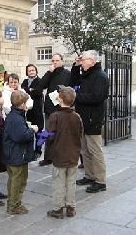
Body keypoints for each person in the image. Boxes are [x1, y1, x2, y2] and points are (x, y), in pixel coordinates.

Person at [72, 50, 109, 193]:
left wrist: (76, 96)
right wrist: (75, 66)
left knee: (95, 151)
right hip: (83, 118)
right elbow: (73, 82)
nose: (82, 62)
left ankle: (100, 181)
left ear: (92, 61)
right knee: (85, 150)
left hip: (93, 119)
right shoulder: (87, 74)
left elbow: (97, 97)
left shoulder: (100, 76)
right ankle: (89, 175)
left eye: (83, 60)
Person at [46, 86, 83, 219]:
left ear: (59, 99)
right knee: (71, 182)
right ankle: (71, 207)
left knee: (59, 182)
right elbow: (80, 135)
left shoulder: (55, 116)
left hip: (59, 155)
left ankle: (57, 208)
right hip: (73, 155)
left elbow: (50, 136)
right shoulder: (77, 116)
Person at [3, 90, 38, 215]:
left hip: (13, 154)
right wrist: (32, 130)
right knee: (18, 180)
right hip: (17, 155)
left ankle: (12, 202)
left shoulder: (14, 115)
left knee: (14, 179)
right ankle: (14, 205)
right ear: (22, 104)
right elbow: (21, 137)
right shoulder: (16, 118)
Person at [37, 53, 71, 166]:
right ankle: (48, 157)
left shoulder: (67, 74)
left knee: (62, 134)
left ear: (62, 61)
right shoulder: (50, 74)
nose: (55, 63)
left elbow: (71, 89)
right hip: (49, 108)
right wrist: (48, 73)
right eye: (53, 61)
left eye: (57, 60)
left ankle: (60, 156)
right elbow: (41, 86)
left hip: (61, 108)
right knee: (48, 133)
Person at [21, 64, 44, 156]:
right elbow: (22, 90)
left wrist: (28, 91)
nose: (31, 72)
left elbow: (37, 93)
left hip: (37, 110)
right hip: (27, 111)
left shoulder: (39, 81)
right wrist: (30, 90)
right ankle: (29, 150)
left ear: (36, 71)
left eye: (33, 70)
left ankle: (38, 151)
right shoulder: (25, 81)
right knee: (29, 131)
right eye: (29, 70)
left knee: (39, 132)